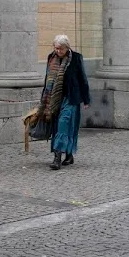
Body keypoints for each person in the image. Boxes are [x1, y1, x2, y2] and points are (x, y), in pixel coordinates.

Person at [39, 34, 90, 170]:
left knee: (64, 124)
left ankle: (57, 159)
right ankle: (68, 154)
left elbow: (82, 79)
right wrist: (44, 99)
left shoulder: (76, 58)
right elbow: (48, 79)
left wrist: (86, 99)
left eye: (61, 49)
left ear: (67, 48)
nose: (58, 51)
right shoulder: (51, 57)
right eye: (56, 48)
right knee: (57, 127)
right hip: (54, 99)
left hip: (70, 98)